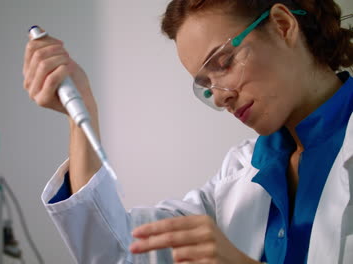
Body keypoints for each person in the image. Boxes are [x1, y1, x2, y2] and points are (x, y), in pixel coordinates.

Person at [23, 0, 353, 263]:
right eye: (205, 84)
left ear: (282, 25)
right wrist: (81, 113)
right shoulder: (241, 172)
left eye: (223, 62)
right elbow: (119, 251)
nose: (221, 95)